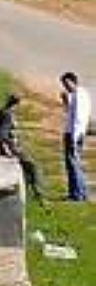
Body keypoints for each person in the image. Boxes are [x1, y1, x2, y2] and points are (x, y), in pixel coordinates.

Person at [0, 93, 44, 201]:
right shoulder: (7, 114)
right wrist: (6, 151)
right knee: (33, 166)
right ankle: (37, 192)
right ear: (16, 104)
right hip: (11, 148)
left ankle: (32, 191)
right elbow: (0, 136)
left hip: (11, 146)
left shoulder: (2, 111)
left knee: (28, 167)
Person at [63, 72, 90, 202]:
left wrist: (73, 138)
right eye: (64, 84)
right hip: (78, 133)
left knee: (72, 164)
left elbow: (78, 119)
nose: (66, 87)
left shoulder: (78, 96)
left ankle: (77, 194)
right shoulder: (82, 94)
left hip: (73, 134)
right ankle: (81, 192)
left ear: (74, 81)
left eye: (67, 84)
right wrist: (66, 102)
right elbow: (72, 114)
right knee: (75, 164)